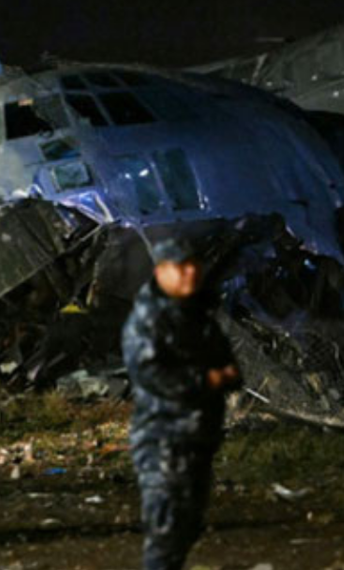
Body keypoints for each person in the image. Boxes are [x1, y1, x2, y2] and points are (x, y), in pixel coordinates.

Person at [121, 238, 241, 570]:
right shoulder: (149, 321)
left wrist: (222, 376)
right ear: (161, 272)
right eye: (180, 267)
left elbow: (226, 361)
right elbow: (153, 375)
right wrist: (207, 380)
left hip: (197, 436)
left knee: (187, 526)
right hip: (164, 439)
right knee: (167, 531)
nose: (190, 273)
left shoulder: (196, 314)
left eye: (193, 265)